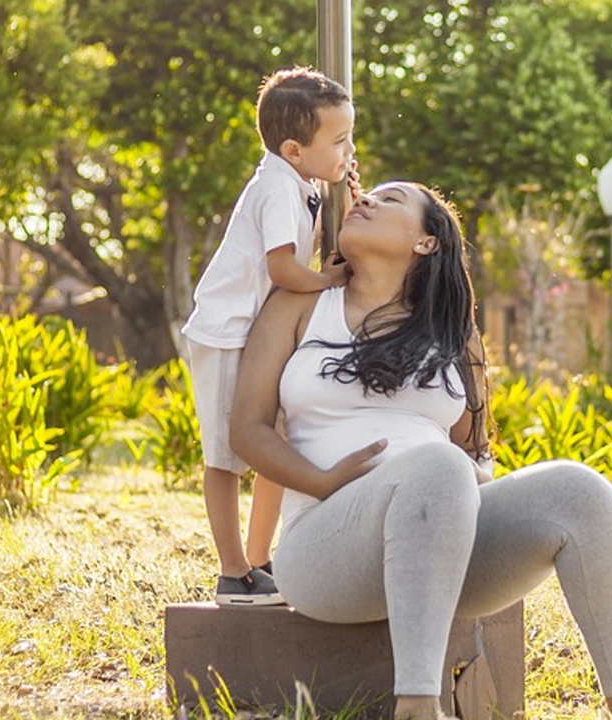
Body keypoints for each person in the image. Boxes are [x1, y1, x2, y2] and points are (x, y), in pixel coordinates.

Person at [231, 181, 612, 719]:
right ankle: (417, 707)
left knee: (581, 492)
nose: (366, 201)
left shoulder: (454, 331)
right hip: (326, 545)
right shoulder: (301, 303)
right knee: (437, 466)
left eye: (390, 200)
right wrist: (321, 481)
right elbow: (247, 429)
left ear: (426, 242)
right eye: (367, 195)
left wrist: (465, 485)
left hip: (442, 539)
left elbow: (473, 456)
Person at [180, 67, 355, 605]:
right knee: (226, 455)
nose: (349, 150)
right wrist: (328, 281)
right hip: (227, 333)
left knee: (272, 444)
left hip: (254, 335)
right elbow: (283, 269)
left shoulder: (297, 184)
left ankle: (259, 561)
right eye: (340, 141)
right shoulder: (277, 189)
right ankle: (234, 571)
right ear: (294, 149)